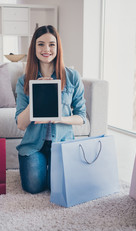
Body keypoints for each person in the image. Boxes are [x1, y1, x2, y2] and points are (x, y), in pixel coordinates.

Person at [15, 25, 86, 194]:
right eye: (40, 44)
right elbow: (20, 124)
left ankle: (51, 170)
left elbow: (82, 117)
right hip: (33, 146)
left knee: (56, 187)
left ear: (57, 47)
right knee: (34, 187)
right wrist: (36, 96)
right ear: (34, 48)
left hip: (61, 144)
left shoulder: (72, 77)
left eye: (51, 44)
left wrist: (60, 118)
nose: (46, 49)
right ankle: (37, 167)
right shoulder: (23, 81)